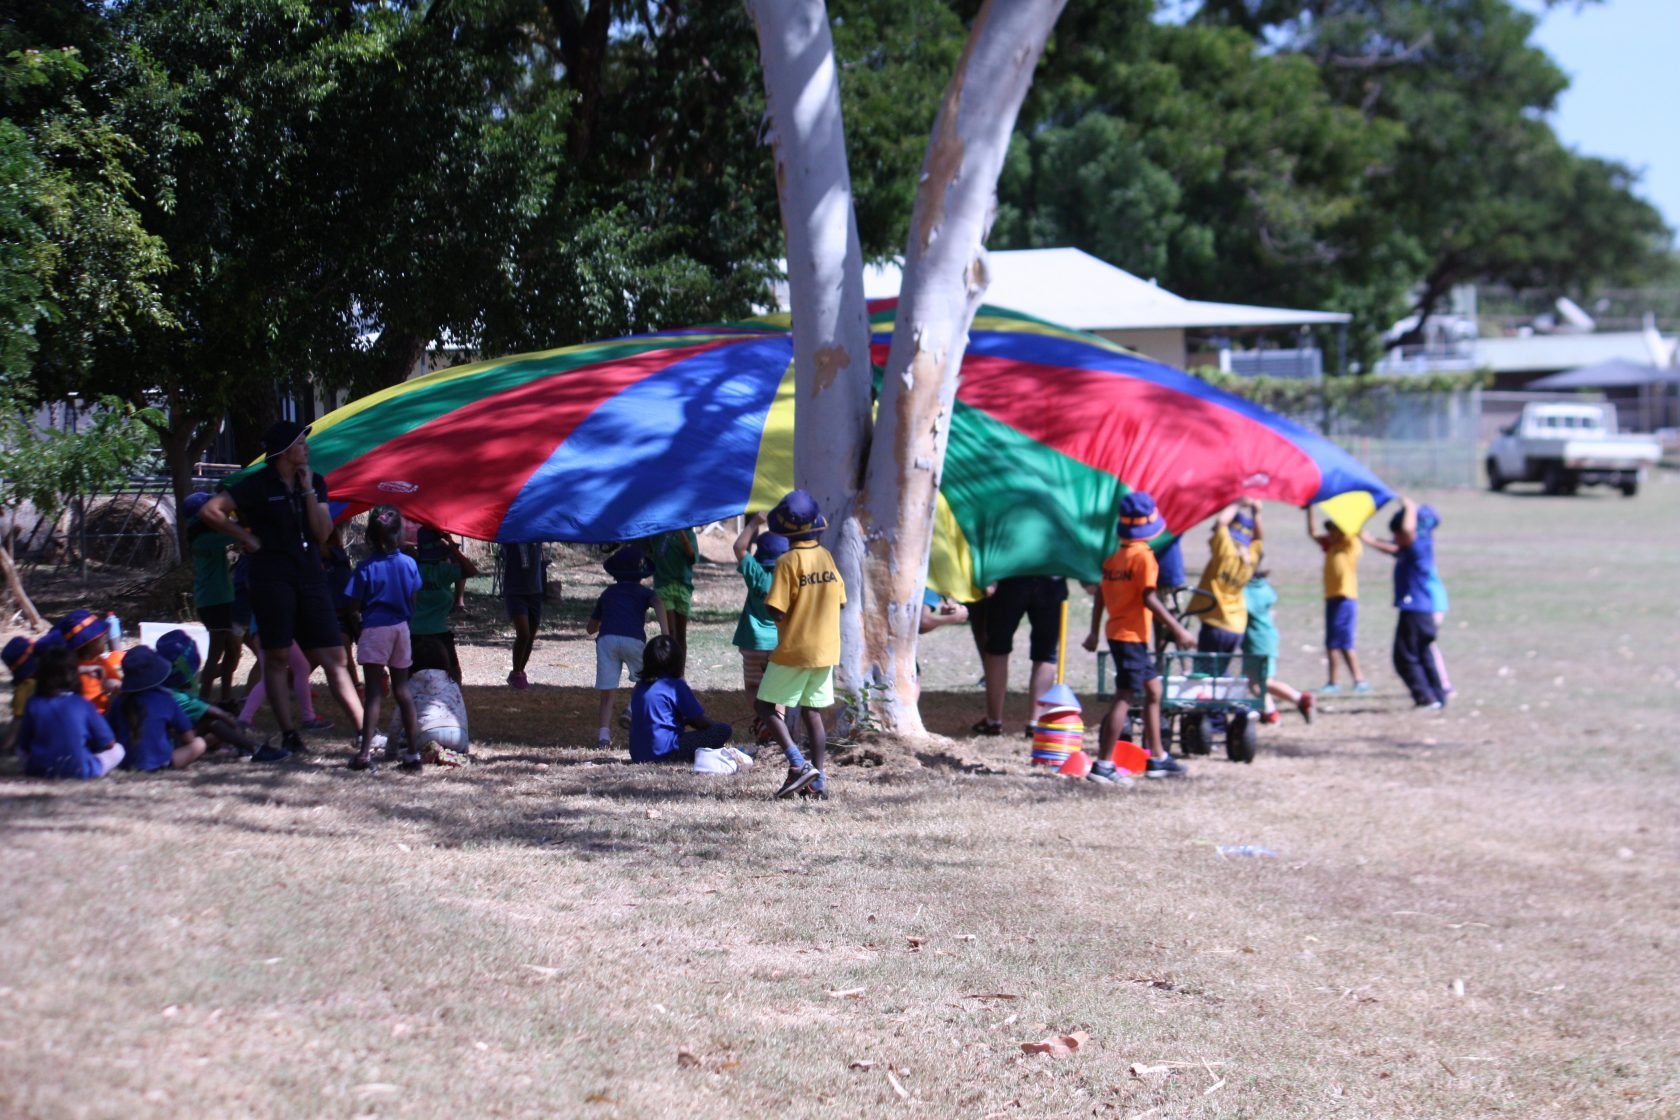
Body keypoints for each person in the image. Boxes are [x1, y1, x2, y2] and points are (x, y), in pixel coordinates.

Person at [198, 420, 364, 762]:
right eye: (302, 444)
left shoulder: (315, 482)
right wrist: (244, 537)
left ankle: (365, 732)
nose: (307, 448)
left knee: (335, 655)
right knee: (275, 657)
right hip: (270, 577)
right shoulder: (255, 485)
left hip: (310, 576)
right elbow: (210, 511)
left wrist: (306, 492)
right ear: (285, 452)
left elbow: (321, 534)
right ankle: (289, 735)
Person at [1082, 492, 1194, 783]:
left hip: (1121, 635)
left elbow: (1100, 597)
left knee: (1154, 691)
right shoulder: (1143, 558)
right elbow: (1149, 598)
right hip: (1130, 637)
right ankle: (1103, 765)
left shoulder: (1114, 559)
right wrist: (1178, 629)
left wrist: (1095, 631)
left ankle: (1157, 759)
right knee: (1124, 697)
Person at [755, 490, 844, 800]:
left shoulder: (787, 561)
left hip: (795, 649)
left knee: (764, 706)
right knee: (812, 713)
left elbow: (776, 609)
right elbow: (841, 601)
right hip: (826, 650)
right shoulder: (826, 556)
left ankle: (797, 762)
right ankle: (818, 782)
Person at [347, 506, 423, 772]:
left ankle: (364, 755)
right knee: (403, 691)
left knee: (374, 694)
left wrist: (360, 631)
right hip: (401, 629)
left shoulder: (365, 568)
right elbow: (413, 599)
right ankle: (413, 755)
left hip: (375, 630)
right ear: (399, 533)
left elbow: (354, 607)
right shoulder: (410, 564)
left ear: (370, 535)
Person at [1365, 498, 1448, 709]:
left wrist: (1410, 507)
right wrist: (1368, 539)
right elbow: (1392, 548)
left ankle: (1426, 698)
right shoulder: (1416, 546)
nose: (1395, 537)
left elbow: (1407, 531)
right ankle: (1438, 697)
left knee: (1404, 657)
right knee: (1423, 654)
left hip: (1416, 610)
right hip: (1421, 611)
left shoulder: (1416, 545)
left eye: (1397, 534)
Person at [587, 545, 669, 747]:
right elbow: (658, 601)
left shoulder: (608, 593)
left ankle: (603, 737)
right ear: (641, 574)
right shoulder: (643, 592)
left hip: (607, 641)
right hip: (633, 639)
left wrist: (598, 624)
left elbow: (590, 628)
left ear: (615, 574)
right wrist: (666, 633)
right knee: (648, 677)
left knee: (607, 691)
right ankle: (631, 709)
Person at [972, 575, 1068, 737]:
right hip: (1051, 578)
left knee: (997, 649)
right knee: (1045, 653)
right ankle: (1036, 722)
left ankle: (994, 721)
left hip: (1011, 578)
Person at [627, 634, 740, 765]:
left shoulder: (640, 687)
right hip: (666, 753)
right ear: (677, 662)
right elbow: (700, 722)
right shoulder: (674, 686)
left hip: (637, 755)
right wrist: (713, 726)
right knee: (723, 730)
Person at [16, 643, 124, 779]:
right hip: (81, 769)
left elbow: (23, 745)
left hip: (39, 768)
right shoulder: (82, 703)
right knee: (118, 750)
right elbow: (108, 743)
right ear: (74, 675)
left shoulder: (33, 703)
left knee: (21, 751)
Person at [155, 629, 267, 756]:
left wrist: (218, 705)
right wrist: (240, 726)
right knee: (215, 723)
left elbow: (202, 703)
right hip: (171, 746)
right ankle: (254, 748)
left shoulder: (161, 691)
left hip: (160, 741)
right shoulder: (179, 698)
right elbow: (220, 714)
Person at [731, 514, 789, 733]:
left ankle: (763, 718)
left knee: (753, 686)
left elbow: (739, 548)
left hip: (752, 642)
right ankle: (778, 722)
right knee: (779, 687)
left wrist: (754, 523)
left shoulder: (755, 572)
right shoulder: (788, 576)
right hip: (779, 642)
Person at [183, 491, 242, 704]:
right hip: (213, 602)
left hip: (221, 599)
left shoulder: (205, 537)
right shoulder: (204, 540)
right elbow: (235, 533)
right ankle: (204, 699)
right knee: (217, 650)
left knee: (233, 650)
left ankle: (226, 697)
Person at [109, 646, 208, 771]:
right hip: (161, 763)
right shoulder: (165, 698)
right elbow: (189, 738)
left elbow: (109, 735)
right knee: (199, 744)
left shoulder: (119, 700)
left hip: (125, 762)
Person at [1306, 508, 1369, 694]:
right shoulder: (1330, 546)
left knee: (1343, 644)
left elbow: (1354, 529)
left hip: (1345, 599)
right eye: (1330, 529)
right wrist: (1309, 510)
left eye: (1334, 529)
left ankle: (1358, 680)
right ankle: (1334, 682)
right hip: (1332, 599)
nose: (1330, 532)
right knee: (1332, 643)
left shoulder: (1349, 545)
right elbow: (1312, 533)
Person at [1242, 569, 1314, 724]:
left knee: (1262, 682)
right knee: (1255, 681)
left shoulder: (1248, 591)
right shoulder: (1263, 587)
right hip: (1266, 638)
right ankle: (1270, 713)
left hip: (1257, 641)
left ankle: (1299, 699)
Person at [388, 636, 470, 762]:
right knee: (454, 747)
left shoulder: (411, 684)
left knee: (406, 741)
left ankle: (429, 752)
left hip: (427, 732)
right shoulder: (452, 684)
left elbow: (398, 719)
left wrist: (391, 750)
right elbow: (461, 713)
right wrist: (465, 743)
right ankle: (453, 754)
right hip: (458, 735)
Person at [412, 527, 478, 683]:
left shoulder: (411, 569)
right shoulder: (444, 572)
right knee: (453, 676)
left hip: (412, 633)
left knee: (411, 679)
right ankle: (453, 703)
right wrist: (453, 549)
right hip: (439, 633)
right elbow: (470, 570)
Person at [4, 632, 61, 757]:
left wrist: (7, 745)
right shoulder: (52, 680)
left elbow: (17, 721)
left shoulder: (25, 687)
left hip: (38, 744)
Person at [56, 609, 122, 716]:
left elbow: (117, 681)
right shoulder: (76, 669)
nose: (105, 640)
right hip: (91, 717)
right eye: (101, 639)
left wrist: (115, 684)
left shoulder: (100, 661)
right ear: (89, 645)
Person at [651, 527, 698, 675]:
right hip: (664, 585)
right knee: (670, 632)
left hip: (683, 587)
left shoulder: (689, 534)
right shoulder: (658, 532)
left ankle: (680, 674)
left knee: (681, 635)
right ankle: (668, 671)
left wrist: (682, 533)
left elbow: (692, 557)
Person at [500, 541, 546, 689]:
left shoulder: (537, 534)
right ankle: (516, 671)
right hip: (515, 591)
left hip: (535, 591)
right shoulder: (511, 536)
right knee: (524, 633)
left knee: (531, 635)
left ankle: (519, 672)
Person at [324, 523, 361, 692]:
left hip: (349, 611)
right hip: (334, 614)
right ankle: (355, 685)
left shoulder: (337, 554)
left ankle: (365, 681)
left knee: (361, 645)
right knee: (343, 651)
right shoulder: (316, 559)